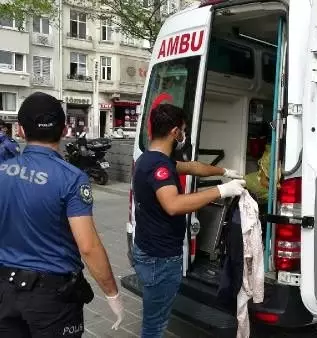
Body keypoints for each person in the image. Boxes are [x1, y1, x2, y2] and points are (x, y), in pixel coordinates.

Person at [0, 92, 124, 336]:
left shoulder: (2, 171)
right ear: (65, 129)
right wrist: (112, 294)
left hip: (4, 291)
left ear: (21, 131)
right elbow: (88, 247)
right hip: (51, 301)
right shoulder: (71, 178)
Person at [132, 103, 246, 337]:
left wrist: (223, 172)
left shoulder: (149, 158)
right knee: (155, 324)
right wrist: (221, 191)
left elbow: (192, 167)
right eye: (183, 130)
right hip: (160, 258)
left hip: (149, 250)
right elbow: (173, 205)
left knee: (154, 315)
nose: (184, 135)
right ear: (175, 132)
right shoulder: (159, 166)